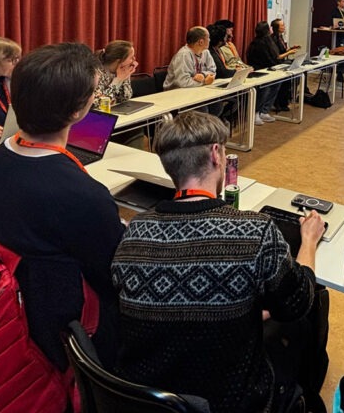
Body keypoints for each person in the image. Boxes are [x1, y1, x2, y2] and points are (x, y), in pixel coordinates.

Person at [112, 111, 324, 413]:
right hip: (230, 400)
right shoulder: (256, 231)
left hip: (147, 401)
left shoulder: (135, 231)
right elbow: (298, 303)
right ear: (216, 153)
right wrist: (310, 241)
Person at [0, 43, 125, 373]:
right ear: (77, 112)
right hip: (70, 326)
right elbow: (114, 273)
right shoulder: (84, 195)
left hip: (9, 303)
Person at [246, 21, 283, 125]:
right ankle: (256, 112)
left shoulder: (268, 42)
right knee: (265, 88)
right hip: (259, 71)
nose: (271, 30)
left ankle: (264, 111)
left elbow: (273, 58)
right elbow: (268, 60)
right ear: (266, 30)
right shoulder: (259, 44)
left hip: (267, 70)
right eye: (269, 28)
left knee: (277, 82)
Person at [164, 26, 216, 90]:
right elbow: (183, 82)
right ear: (201, 42)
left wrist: (203, 75)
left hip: (195, 89)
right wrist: (204, 81)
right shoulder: (184, 55)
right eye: (208, 37)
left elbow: (213, 71)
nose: (209, 40)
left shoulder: (206, 52)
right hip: (176, 92)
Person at [95, 39, 138, 106]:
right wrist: (117, 81)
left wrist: (124, 78)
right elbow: (100, 103)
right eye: (131, 57)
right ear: (119, 61)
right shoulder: (96, 73)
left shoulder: (122, 71)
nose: (134, 60)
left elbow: (125, 98)